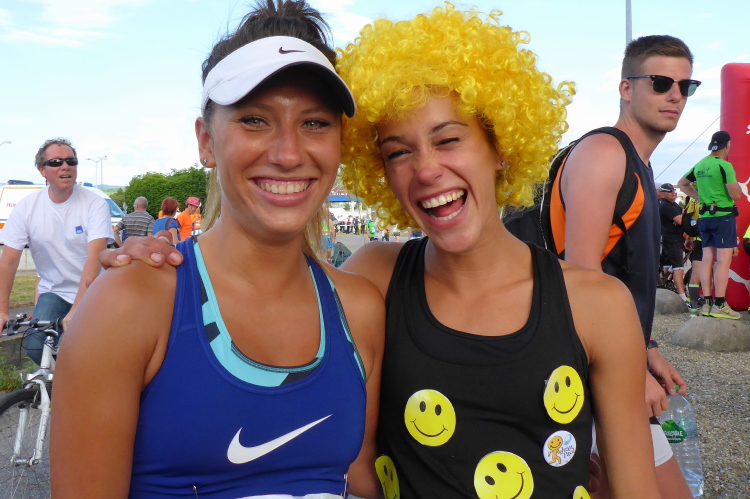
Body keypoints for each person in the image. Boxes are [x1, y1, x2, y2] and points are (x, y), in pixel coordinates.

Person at [103, 4, 660, 497]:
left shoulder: (596, 305)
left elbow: (638, 484)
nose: (426, 170)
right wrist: (154, 262)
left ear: (501, 147)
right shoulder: (373, 279)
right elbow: (353, 459)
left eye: (449, 139)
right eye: (397, 152)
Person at [50, 1, 383, 497]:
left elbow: (362, 475)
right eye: (255, 120)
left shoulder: (360, 309)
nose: (289, 153)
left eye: (315, 123)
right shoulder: (130, 303)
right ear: (206, 141)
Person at [553, 34, 695, 498]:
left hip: (604, 365)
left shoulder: (639, 166)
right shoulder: (604, 153)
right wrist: (632, 373)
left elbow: (619, 278)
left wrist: (647, 348)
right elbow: (582, 281)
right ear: (626, 88)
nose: (675, 95)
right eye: (660, 82)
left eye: (685, 86)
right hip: (587, 369)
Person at [0, 138, 112, 363]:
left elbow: (94, 258)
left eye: (71, 161)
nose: (65, 166)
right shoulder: (27, 207)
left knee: (93, 352)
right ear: (42, 170)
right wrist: (2, 311)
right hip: (55, 291)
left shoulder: (95, 203)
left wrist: (77, 308)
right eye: (56, 162)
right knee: (35, 346)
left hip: (94, 290)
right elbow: (8, 262)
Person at [678, 130, 742, 319]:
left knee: (707, 259)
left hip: (704, 217)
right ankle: (719, 304)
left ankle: (706, 303)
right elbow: (736, 195)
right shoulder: (724, 165)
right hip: (723, 217)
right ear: (727, 145)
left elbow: (682, 183)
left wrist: (699, 196)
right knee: (723, 261)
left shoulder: (700, 165)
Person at [657, 183, 688, 303]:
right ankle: (682, 296)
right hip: (671, 239)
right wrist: (681, 218)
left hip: (675, 238)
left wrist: (682, 217)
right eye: (670, 191)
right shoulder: (665, 205)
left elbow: (683, 215)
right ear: (663, 193)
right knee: (678, 268)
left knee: (668, 267)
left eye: (674, 191)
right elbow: (681, 220)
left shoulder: (673, 204)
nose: (673, 193)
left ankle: (661, 285)